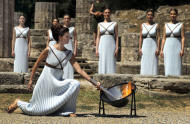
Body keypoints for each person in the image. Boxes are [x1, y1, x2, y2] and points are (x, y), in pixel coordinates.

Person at [7, 24, 100, 117]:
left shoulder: (69, 53)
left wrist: (94, 82)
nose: (69, 38)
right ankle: (18, 103)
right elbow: (36, 65)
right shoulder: (49, 49)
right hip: (45, 82)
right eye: (67, 36)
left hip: (58, 82)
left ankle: (68, 111)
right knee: (35, 110)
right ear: (60, 37)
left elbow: (80, 71)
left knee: (76, 84)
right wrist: (31, 80)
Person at [160, 8, 185, 76]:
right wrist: (161, 50)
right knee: (168, 63)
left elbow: (183, 38)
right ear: (169, 15)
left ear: (177, 15)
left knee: (177, 64)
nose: (173, 15)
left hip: (177, 46)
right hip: (167, 47)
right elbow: (164, 38)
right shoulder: (166, 25)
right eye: (171, 14)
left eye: (174, 14)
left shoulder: (181, 25)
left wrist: (182, 49)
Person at [96, 7, 119, 74]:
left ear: (110, 14)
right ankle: (102, 76)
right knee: (102, 60)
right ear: (103, 14)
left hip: (111, 44)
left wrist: (117, 48)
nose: (107, 14)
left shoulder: (114, 24)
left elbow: (117, 36)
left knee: (111, 60)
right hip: (102, 44)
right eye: (106, 12)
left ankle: (111, 76)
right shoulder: (99, 24)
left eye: (108, 12)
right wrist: (96, 49)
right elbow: (98, 37)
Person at [139, 9, 160, 75]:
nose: (150, 16)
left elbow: (158, 38)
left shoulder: (156, 25)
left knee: (153, 62)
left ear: (153, 16)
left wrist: (158, 48)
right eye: (148, 15)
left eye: (151, 15)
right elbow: (140, 37)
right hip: (145, 46)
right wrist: (140, 48)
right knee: (144, 61)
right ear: (146, 16)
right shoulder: (142, 25)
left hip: (153, 45)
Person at [62, 14, 78, 79]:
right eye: (65, 18)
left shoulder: (73, 29)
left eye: (68, 18)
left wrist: (75, 49)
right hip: (63, 46)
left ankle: (70, 77)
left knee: (70, 62)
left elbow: (76, 40)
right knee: (63, 61)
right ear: (63, 19)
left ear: (70, 20)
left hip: (70, 46)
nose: (66, 20)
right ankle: (62, 77)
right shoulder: (61, 28)